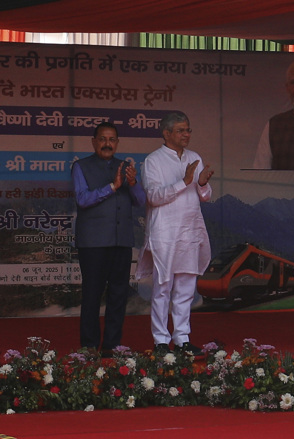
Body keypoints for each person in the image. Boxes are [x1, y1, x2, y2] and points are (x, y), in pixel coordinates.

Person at [138, 111, 214, 356]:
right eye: (181, 130)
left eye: (188, 130)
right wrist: (185, 181)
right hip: (164, 233)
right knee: (163, 287)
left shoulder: (194, 157)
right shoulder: (153, 161)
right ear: (166, 133)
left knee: (186, 288)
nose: (186, 134)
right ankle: (161, 340)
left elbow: (205, 196)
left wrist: (201, 183)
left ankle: (182, 339)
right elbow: (153, 197)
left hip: (189, 231)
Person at [72, 122, 146, 355]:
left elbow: (141, 201)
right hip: (93, 243)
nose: (107, 144)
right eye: (103, 139)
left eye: (112, 139)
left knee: (118, 295)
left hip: (121, 241)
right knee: (92, 295)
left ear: (117, 143)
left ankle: (112, 346)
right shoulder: (80, 167)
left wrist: (132, 183)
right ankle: (90, 346)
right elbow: (83, 200)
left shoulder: (126, 167)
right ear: (94, 142)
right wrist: (113, 186)